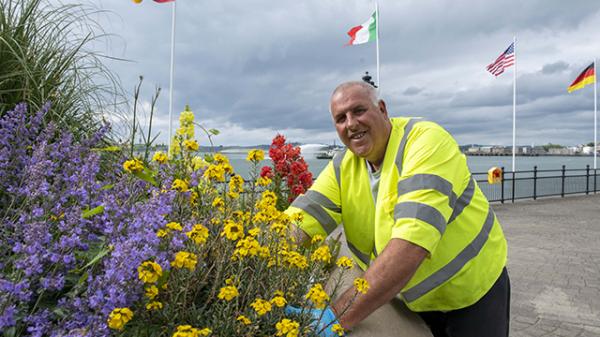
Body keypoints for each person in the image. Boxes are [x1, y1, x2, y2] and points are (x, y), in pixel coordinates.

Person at [285, 81, 510, 337]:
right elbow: (301, 219)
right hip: (411, 300)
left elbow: (411, 244)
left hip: (471, 292)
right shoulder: (343, 166)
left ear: (382, 109)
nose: (351, 123)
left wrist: (334, 317)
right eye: (340, 118)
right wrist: (252, 257)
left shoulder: (425, 141)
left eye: (358, 111)